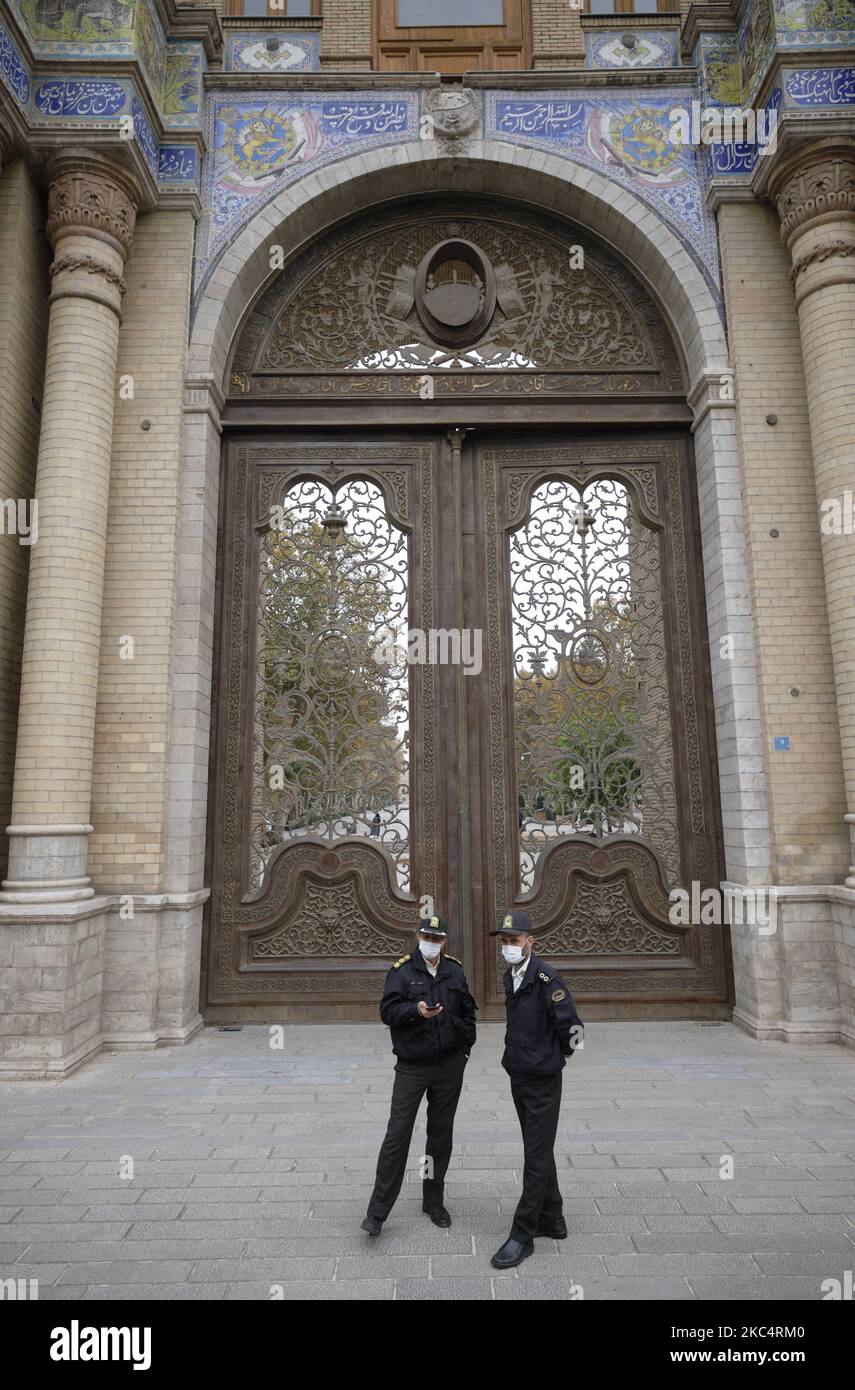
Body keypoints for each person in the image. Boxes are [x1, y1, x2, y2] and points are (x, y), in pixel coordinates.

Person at [361, 914, 477, 1237]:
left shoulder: (453, 969)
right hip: (412, 1066)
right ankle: (377, 1212)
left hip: (448, 1066)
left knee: (440, 1136)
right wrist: (416, 1011)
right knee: (397, 1135)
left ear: (443, 942)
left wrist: (465, 1051)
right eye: (426, 937)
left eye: (437, 939)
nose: (431, 943)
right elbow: (388, 1012)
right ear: (418, 937)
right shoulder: (401, 972)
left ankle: (433, 1201)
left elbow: (468, 1011)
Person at [489, 909, 583, 1269]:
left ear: (530, 942)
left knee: (535, 1155)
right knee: (538, 1147)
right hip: (518, 1073)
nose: (508, 947)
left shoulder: (548, 980)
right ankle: (553, 1219)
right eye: (504, 942)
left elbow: (573, 1029)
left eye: (513, 941)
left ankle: (522, 1234)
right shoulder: (510, 975)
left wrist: (556, 1058)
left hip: (542, 1079)